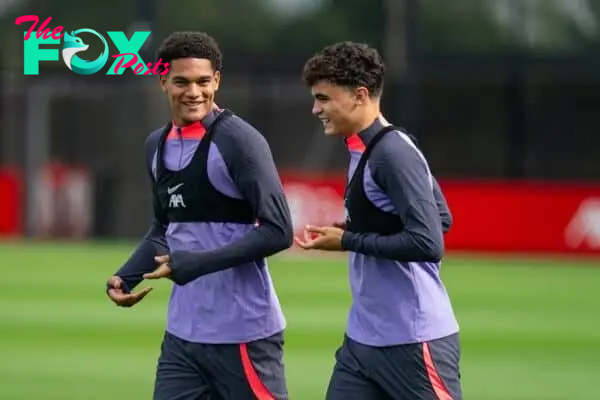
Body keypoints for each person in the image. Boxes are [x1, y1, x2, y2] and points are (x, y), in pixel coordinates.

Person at [105, 31, 293, 400]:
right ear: (163, 81)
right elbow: (163, 228)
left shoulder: (239, 141)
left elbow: (279, 231)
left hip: (243, 336)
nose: (194, 92)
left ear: (217, 81)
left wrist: (195, 264)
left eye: (203, 81)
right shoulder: (155, 146)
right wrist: (125, 276)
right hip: (183, 339)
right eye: (181, 81)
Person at [296, 41, 463, 400]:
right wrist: (355, 230)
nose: (315, 108)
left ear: (359, 95)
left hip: (413, 340)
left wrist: (348, 241)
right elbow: (440, 216)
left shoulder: (393, 152)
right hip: (363, 340)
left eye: (324, 98)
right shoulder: (363, 147)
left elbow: (430, 241)